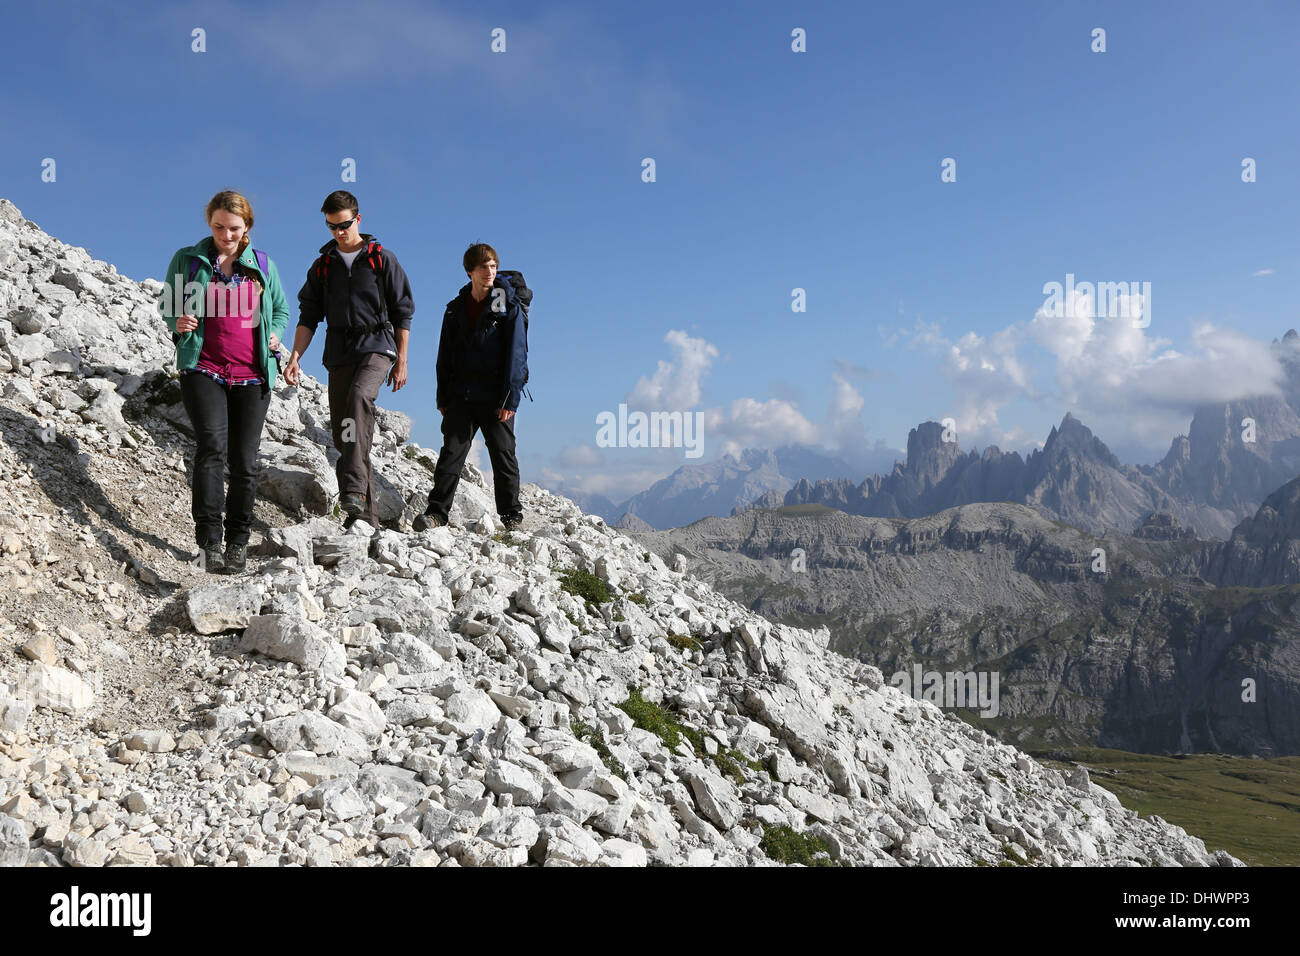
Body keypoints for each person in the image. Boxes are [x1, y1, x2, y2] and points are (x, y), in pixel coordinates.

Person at [157, 190, 289, 573]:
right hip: (204, 367)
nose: (226, 235)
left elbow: (279, 309)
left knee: (245, 462)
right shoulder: (188, 260)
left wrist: (275, 335)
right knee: (212, 448)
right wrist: (177, 323)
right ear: (208, 223)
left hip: (252, 374)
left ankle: (238, 542)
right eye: (218, 227)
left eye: (234, 228)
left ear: (247, 227)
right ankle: (209, 542)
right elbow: (168, 305)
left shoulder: (262, 264)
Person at [283, 191, 414, 528]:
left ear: (358, 219)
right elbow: (309, 315)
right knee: (347, 434)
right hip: (339, 351)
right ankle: (365, 523)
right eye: (331, 226)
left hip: (378, 345)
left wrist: (402, 360)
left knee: (359, 397)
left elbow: (403, 312)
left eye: (344, 224)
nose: (339, 232)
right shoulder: (323, 267)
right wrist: (296, 356)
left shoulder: (381, 259)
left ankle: (352, 492)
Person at [414, 243, 526, 532]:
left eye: (493, 266)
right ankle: (437, 513)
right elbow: (444, 355)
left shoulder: (507, 306)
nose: (490, 272)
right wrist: (443, 395)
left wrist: (510, 399)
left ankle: (512, 517)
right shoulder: (455, 309)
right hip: (461, 394)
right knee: (451, 453)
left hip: (496, 396)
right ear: (469, 272)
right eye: (483, 267)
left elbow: (517, 354)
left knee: (503, 454)